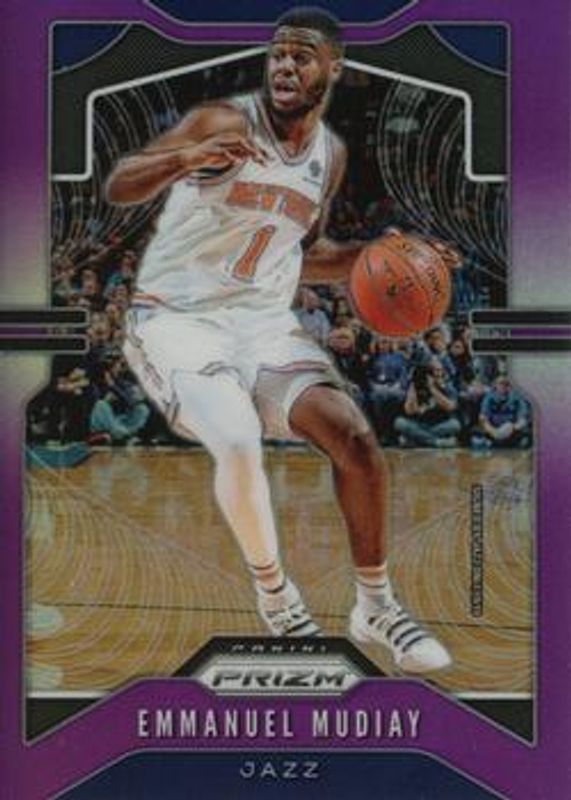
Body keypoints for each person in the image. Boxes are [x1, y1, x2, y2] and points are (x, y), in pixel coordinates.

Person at [106, 8, 451, 672]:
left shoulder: (330, 155)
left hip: (261, 324)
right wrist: (184, 158)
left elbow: (306, 254)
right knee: (237, 438)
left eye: (301, 55)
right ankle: (278, 599)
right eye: (277, 54)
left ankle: (375, 606)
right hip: (175, 319)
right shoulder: (224, 121)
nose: (285, 65)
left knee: (353, 437)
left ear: (334, 68)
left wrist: (396, 257)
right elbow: (122, 184)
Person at [395, 359, 461, 448]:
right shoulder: (416, 386)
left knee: (455, 424)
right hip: (419, 424)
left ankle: (416, 440)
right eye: (434, 371)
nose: (438, 374)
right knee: (399, 422)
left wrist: (432, 388)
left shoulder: (447, 386)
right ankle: (436, 442)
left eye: (440, 370)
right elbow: (409, 411)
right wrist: (413, 390)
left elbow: (450, 407)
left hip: (439, 424)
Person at [477, 376, 530, 448]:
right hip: (493, 431)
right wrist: (492, 431)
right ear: (495, 385)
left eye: (505, 384)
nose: (502, 386)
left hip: (512, 431)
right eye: (500, 384)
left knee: (524, 441)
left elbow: (523, 417)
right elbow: (483, 417)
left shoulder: (517, 397)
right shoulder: (488, 398)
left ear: (508, 386)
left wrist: (513, 428)